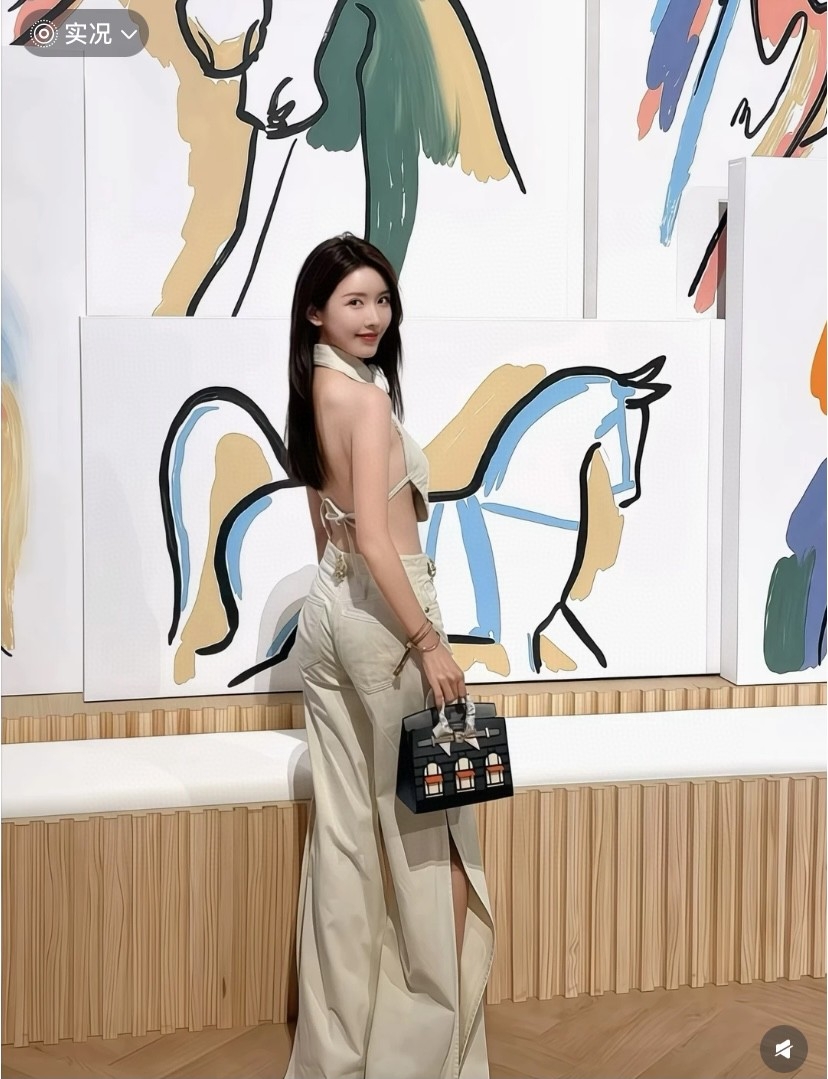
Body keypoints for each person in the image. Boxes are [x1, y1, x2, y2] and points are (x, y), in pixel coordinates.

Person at [283, 234, 494, 1079]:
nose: (374, 315)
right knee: (430, 838)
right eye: (355, 301)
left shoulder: (315, 387)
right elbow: (376, 535)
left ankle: (335, 1054)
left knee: (343, 840)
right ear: (316, 310)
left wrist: (339, 602)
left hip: (330, 608)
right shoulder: (367, 403)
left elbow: (325, 514)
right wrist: (427, 642)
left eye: (381, 298)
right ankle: (423, 1057)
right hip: (389, 616)